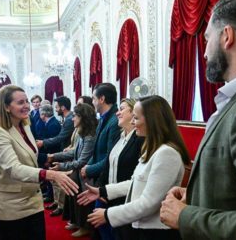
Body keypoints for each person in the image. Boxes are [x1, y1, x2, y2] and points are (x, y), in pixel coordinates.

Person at [160, 0, 236, 239]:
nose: (205, 52)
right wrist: (199, 193)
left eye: (207, 38)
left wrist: (184, 216)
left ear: (227, 36)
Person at [78, 95, 190, 240]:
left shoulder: (167, 153)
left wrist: (108, 214)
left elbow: (149, 203)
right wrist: (102, 191)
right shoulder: (153, 149)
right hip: (142, 226)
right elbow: (136, 182)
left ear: (151, 121)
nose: (132, 121)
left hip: (155, 231)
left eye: (136, 118)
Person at [0, 85, 78, 240]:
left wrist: (52, 159)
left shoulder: (25, 126)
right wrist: (50, 174)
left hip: (32, 201)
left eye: (27, 101)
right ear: (6, 107)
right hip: (10, 205)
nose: (27, 105)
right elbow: (13, 168)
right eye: (20, 102)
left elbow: (33, 154)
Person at [47, 103, 97, 237]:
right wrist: (55, 156)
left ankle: (85, 226)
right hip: (78, 173)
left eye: (75, 116)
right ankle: (77, 222)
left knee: (82, 202)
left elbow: (82, 161)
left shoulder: (90, 136)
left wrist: (62, 166)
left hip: (85, 175)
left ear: (83, 117)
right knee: (75, 200)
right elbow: (74, 152)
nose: (72, 119)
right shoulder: (83, 133)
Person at [97, 98, 144, 240]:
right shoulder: (120, 136)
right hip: (109, 196)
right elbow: (108, 165)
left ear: (133, 114)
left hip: (125, 200)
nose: (117, 113)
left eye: (122, 109)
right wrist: (102, 190)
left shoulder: (140, 140)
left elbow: (136, 176)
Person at [80, 83, 121, 240]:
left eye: (94, 98)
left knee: (105, 226)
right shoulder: (104, 118)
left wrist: (89, 169)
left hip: (108, 181)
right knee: (99, 225)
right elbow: (98, 150)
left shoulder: (115, 121)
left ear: (102, 99)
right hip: (100, 178)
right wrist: (88, 165)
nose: (92, 102)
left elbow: (111, 157)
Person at [37, 96, 75, 217]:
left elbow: (60, 138)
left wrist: (44, 143)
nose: (55, 109)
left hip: (66, 154)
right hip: (63, 153)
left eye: (57, 106)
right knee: (55, 182)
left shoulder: (69, 119)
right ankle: (58, 202)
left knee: (59, 182)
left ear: (63, 107)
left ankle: (61, 205)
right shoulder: (66, 118)